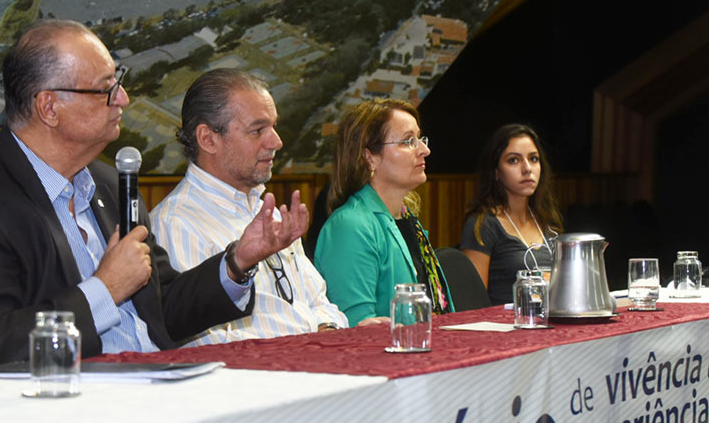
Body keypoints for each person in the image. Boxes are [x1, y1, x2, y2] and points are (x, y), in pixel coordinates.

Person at [0, 20, 306, 369]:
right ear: (49, 106)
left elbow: (164, 306)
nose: (123, 99)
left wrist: (237, 261)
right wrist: (104, 290)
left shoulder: (110, 182)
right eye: (106, 89)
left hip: (156, 389)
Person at [150, 69, 348, 345]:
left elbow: (321, 303)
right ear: (208, 139)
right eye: (258, 130)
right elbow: (206, 345)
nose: (276, 142)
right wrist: (307, 346)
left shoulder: (268, 212)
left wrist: (324, 334)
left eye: (273, 127)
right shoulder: (176, 224)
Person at [314, 99, 454, 323]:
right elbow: (355, 327)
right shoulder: (349, 227)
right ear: (370, 157)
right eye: (409, 141)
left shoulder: (406, 218)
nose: (425, 150)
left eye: (420, 139)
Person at [460, 124, 563, 304]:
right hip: (504, 328)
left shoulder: (547, 221)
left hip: (549, 325)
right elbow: (471, 302)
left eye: (533, 159)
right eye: (514, 160)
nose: (527, 169)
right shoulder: (482, 224)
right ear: (497, 172)